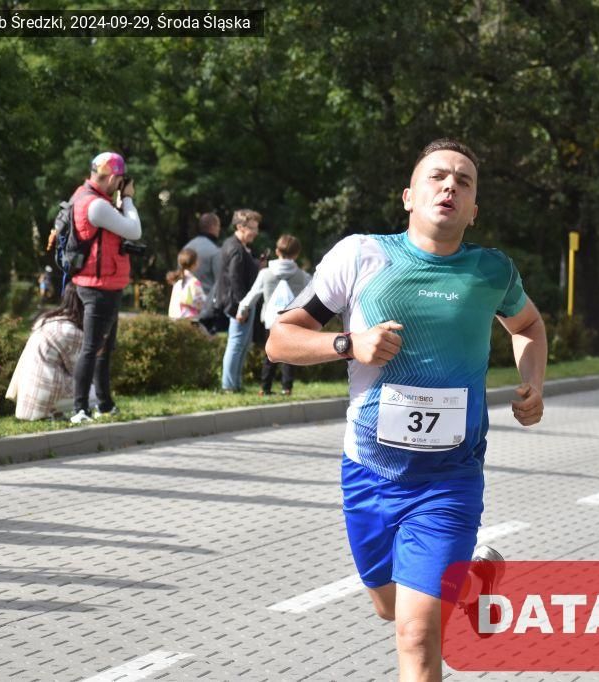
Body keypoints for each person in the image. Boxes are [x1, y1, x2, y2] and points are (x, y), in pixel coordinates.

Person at [266, 139, 547, 681]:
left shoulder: (491, 271)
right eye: (437, 177)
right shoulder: (361, 256)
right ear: (408, 196)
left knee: (417, 635)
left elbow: (528, 325)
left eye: (463, 181)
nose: (450, 186)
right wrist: (349, 344)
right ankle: (475, 581)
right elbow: (280, 340)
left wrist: (532, 383)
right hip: (369, 471)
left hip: (449, 477)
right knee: (390, 607)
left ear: (474, 209)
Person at [68, 152, 141, 424]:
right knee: (91, 348)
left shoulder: (83, 196)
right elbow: (134, 230)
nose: (121, 185)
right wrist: (128, 199)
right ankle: (80, 409)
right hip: (99, 287)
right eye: (120, 180)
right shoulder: (96, 205)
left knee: (102, 349)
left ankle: (105, 404)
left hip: (98, 284)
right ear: (113, 178)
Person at [236, 234, 311, 396]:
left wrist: (242, 310)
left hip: (271, 321)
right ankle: (287, 388)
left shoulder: (265, 273)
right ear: (296, 254)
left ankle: (265, 388)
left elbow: (252, 295)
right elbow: (314, 294)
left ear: (277, 251)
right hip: (293, 321)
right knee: (291, 354)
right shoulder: (302, 276)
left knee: (270, 353)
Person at [6, 283, 86, 420]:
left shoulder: (46, 321)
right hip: (42, 404)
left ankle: (56, 412)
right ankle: (57, 411)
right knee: (95, 393)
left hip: (25, 400)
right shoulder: (71, 331)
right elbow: (80, 371)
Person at [213, 209, 261, 392]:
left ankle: (235, 384)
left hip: (239, 302)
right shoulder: (237, 249)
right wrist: (243, 306)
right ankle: (229, 386)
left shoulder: (234, 245)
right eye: (252, 228)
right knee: (237, 343)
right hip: (238, 304)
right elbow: (235, 280)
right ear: (240, 227)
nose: (255, 232)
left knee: (241, 344)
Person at [183, 212, 223, 332]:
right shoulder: (215, 251)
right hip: (205, 309)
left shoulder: (186, 247)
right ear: (213, 226)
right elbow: (219, 281)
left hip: (184, 307)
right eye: (218, 226)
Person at [166, 248, 205, 320]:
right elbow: (200, 302)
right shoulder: (194, 282)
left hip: (174, 318)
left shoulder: (178, 280)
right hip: (188, 318)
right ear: (194, 264)